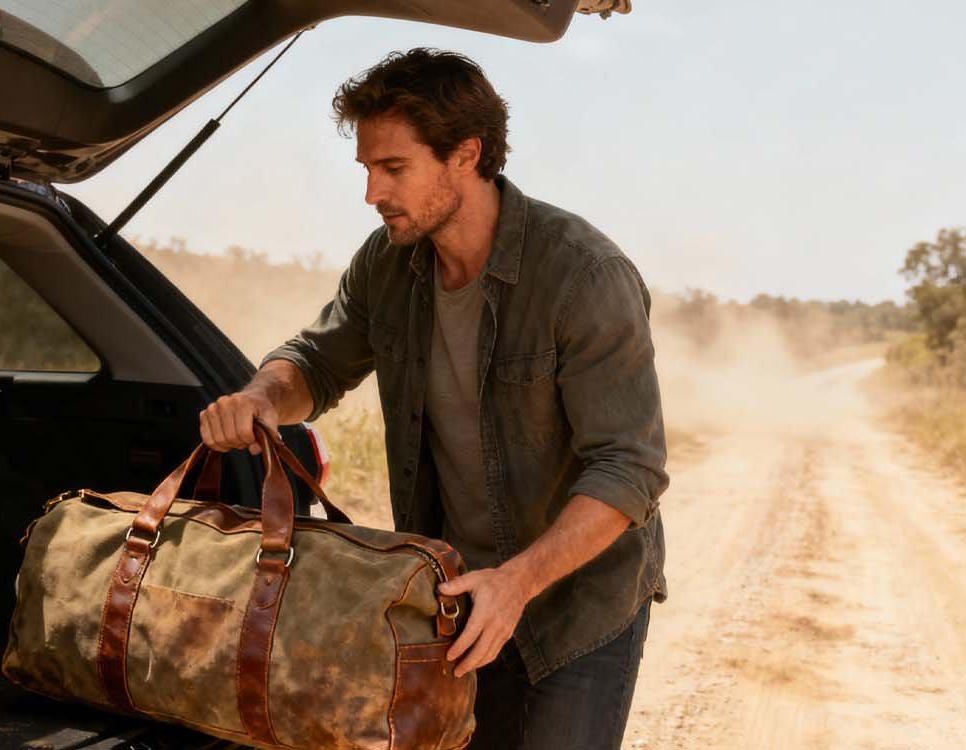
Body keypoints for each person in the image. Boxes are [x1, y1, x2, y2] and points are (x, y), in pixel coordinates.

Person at [197, 48, 668, 750]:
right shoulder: (387, 261)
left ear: (466, 156)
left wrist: (516, 584)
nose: (372, 193)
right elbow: (316, 362)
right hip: (450, 597)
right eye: (366, 169)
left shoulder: (582, 275)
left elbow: (629, 469)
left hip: (574, 605)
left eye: (393, 169)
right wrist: (264, 395)